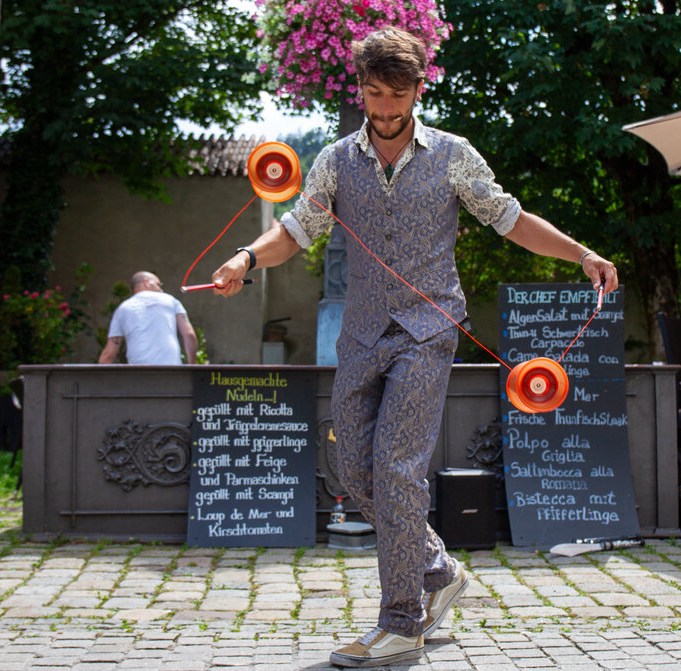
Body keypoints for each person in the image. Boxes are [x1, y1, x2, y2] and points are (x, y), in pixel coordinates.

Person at [210, 27, 618, 668]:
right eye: (375, 94)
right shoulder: (336, 159)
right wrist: (244, 259)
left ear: (418, 89)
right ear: (362, 89)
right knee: (353, 473)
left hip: (427, 333)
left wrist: (582, 252)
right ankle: (437, 567)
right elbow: (297, 228)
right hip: (362, 334)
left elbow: (510, 218)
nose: (386, 109)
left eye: (397, 96)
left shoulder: (454, 155)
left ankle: (401, 622)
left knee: (397, 470)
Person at [98, 271, 198, 365]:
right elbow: (189, 335)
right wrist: (192, 367)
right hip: (171, 370)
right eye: (159, 284)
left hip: (138, 373)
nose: (161, 290)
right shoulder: (170, 301)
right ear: (146, 282)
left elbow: (109, 353)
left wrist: (96, 379)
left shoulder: (123, 308)